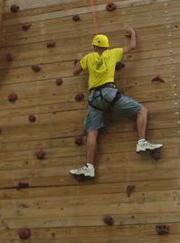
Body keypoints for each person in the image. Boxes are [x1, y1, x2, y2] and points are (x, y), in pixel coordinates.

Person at [69, 28, 163, 178]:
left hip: (94, 98)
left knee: (92, 132)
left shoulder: (88, 58)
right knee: (141, 111)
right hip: (109, 93)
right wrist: (132, 33)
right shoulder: (113, 53)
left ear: (93, 46)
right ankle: (141, 141)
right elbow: (132, 47)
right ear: (106, 46)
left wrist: (79, 58)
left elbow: (75, 71)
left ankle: (89, 167)